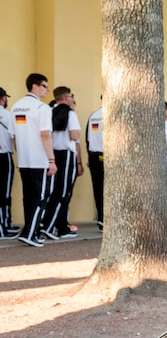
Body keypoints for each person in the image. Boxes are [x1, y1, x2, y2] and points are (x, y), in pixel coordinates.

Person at [11, 73, 57, 248]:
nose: (47, 90)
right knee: (40, 197)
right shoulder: (42, 108)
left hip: (24, 161)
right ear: (35, 86)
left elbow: (14, 138)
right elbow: (45, 134)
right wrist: (51, 160)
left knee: (29, 198)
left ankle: (34, 232)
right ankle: (30, 233)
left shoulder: (15, 107)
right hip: (39, 160)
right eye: (45, 86)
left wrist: (21, 154)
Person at [41, 86, 82, 240]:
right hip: (66, 154)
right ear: (66, 97)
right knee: (63, 192)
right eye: (70, 96)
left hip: (52, 154)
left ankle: (62, 226)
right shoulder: (70, 113)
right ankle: (49, 226)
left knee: (54, 191)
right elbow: (74, 136)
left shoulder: (50, 111)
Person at [0, 87, 16, 238]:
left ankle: (6, 224)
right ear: (3, 98)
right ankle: (3, 226)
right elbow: (15, 136)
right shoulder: (7, 115)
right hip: (4, 157)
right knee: (4, 193)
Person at [86, 100, 105, 229]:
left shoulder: (93, 115)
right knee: (110, 190)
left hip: (94, 155)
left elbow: (87, 139)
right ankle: (108, 219)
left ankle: (101, 219)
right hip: (108, 155)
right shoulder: (112, 114)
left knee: (98, 189)